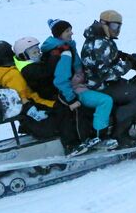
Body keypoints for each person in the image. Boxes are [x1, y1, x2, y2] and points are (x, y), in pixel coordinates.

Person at [0, 40, 88, 156]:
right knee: (63, 109)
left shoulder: (1, 72)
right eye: (10, 51)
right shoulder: (12, 75)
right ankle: (71, 145)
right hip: (33, 104)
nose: (13, 53)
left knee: (62, 104)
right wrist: (32, 110)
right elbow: (21, 96)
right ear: (6, 56)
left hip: (33, 102)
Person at [40, 18, 118, 150]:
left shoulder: (59, 47)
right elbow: (60, 79)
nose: (71, 33)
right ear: (59, 34)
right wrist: (71, 99)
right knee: (105, 100)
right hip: (73, 91)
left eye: (70, 30)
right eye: (67, 31)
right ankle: (100, 137)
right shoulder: (65, 51)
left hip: (78, 86)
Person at [81, 10, 136, 148]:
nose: (117, 30)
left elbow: (108, 57)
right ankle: (120, 135)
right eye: (113, 26)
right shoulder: (99, 42)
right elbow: (105, 73)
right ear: (103, 24)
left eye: (119, 26)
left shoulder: (99, 38)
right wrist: (128, 65)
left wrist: (125, 57)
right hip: (100, 86)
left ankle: (128, 125)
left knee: (133, 85)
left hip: (101, 83)